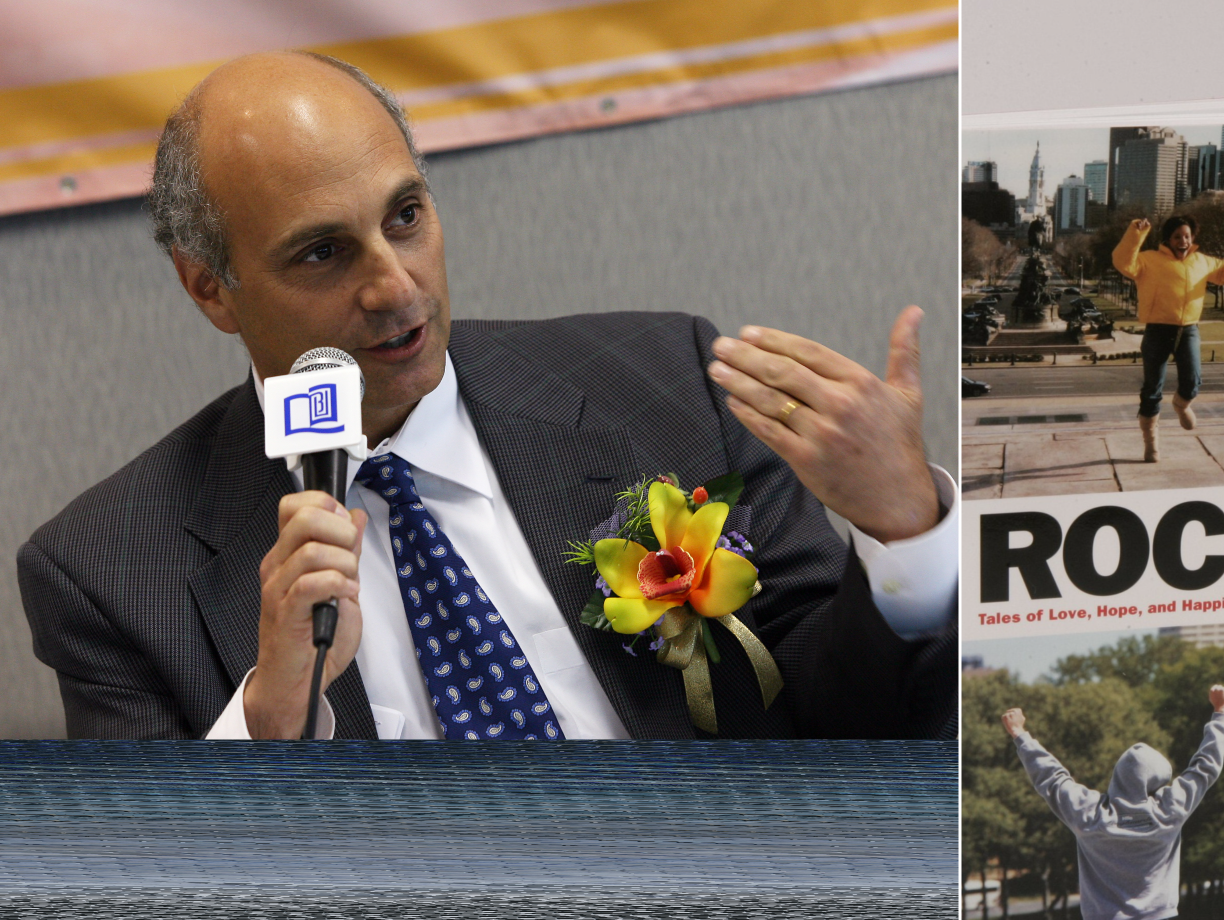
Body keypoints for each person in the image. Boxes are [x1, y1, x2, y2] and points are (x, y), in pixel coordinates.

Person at [16, 51, 957, 740]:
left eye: (406, 217)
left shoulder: (666, 384)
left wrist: (906, 531)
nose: (396, 287)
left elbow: (848, 731)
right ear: (207, 286)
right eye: (322, 252)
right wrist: (268, 728)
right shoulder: (107, 571)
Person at [1001, 684, 1224, 920]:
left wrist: (1021, 735)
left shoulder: (1091, 814)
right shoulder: (1169, 811)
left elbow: (1052, 778)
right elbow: (1205, 767)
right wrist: (1220, 712)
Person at [1111, 217, 1224, 463]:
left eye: (1187, 236)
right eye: (1177, 236)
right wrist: (1136, 232)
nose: (1183, 241)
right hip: (1157, 330)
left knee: (1193, 381)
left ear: (1192, 238)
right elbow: (1123, 262)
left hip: (1188, 331)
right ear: (1167, 239)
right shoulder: (1148, 260)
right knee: (1152, 389)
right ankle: (1151, 441)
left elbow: (1222, 269)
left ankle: (1181, 405)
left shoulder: (1202, 261)